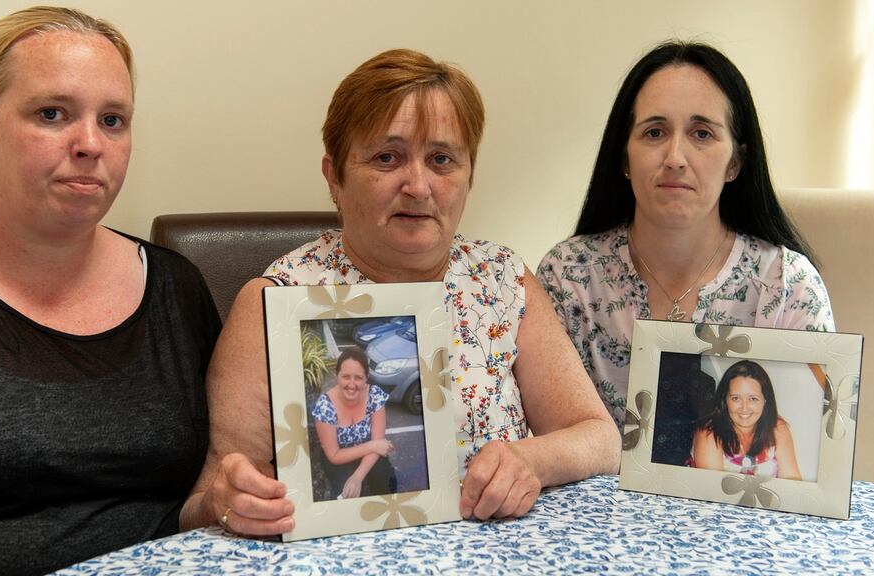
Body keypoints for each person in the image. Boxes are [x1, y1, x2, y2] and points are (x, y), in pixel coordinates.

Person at [180, 48, 620, 536]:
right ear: (334, 177)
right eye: (387, 157)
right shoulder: (274, 301)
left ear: (469, 174)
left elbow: (600, 438)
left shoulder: (502, 279)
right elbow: (199, 503)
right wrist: (227, 502)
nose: (418, 184)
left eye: (442, 159)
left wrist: (532, 460)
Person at [0, 8, 221, 574]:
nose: (90, 144)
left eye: (113, 120)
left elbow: (208, 487)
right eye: (52, 114)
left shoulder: (177, 287)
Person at [537, 41, 835, 429]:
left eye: (702, 134)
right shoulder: (568, 277)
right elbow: (552, 442)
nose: (675, 157)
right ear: (624, 158)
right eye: (655, 132)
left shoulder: (787, 286)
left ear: (735, 163)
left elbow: (809, 455)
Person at [690, 360, 801, 479]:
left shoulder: (777, 427)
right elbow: (711, 491)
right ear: (725, 399)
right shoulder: (709, 434)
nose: (744, 408)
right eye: (736, 398)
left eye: (753, 399)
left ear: (765, 400)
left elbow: (793, 480)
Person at [312, 348, 397, 500]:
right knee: (345, 491)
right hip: (340, 456)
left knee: (384, 477)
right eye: (345, 377)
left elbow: (378, 442)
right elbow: (334, 455)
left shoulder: (374, 396)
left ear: (366, 379)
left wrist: (358, 477)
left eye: (358, 378)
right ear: (336, 375)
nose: (351, 385)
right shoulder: (325, 407)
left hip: (370, 452)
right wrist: (372, 446)